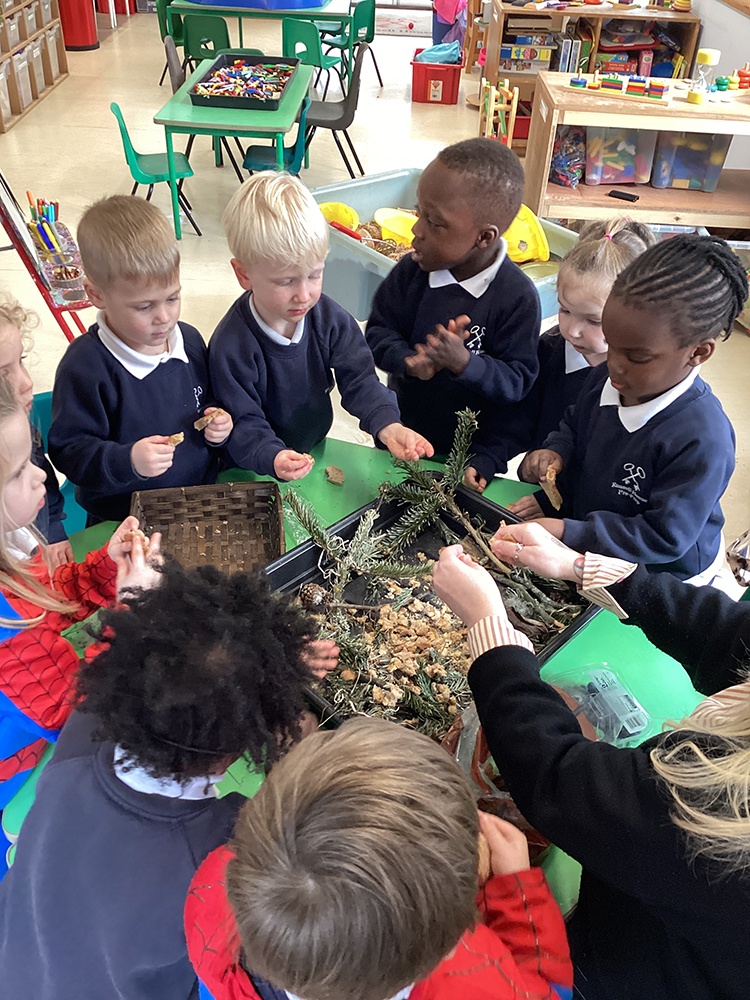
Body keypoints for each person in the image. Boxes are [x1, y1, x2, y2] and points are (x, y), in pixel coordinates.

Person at [432, 522, 750, 1000]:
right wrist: (582, 567)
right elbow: (729, 635)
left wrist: (490, 632)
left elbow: (563, 780)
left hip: (629, 971)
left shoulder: (722, 823)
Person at [0, 555, 339, 1000]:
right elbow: (295, 839)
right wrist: (299, 755)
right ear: (243, 748)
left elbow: (123, 668)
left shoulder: (83, 734)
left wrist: (134, 604)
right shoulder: (225, 845)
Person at [184, 716, 573, 1000]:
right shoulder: (472, 979)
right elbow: (547, 991)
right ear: (449, 943)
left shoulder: (212, 889)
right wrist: (518, 893)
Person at [509, 234, 747, 584]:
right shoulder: (606, 379)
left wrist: (569, 532)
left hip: (665, 578)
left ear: (698, 353)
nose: (614, 365)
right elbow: (575, 427)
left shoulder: (703, 439)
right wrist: (556, 454)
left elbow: (663, 536)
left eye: (636, 356)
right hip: (593, 541)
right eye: (611, 343)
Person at [209, 172, 433, 482]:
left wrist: (387, 424)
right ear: (244, 274)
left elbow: (359, 379)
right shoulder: (231, 347)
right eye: (286, 281)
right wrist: (272, 455)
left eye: (314, 275)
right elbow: (242, 420)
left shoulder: (329, 319)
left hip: (311, 451)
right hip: (250, 467)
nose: (304, 294)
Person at [0, 373, 149, 808]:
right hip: (16, 780)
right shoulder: (8, 629)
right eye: (18, 471)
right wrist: (130, 610)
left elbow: (43, 595)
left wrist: (105, 569)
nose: (40, 477)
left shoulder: (10, 550)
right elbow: (79, 714)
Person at [365, 137, 541, 492]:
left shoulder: (517, 298)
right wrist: (408, 362)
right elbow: (378, 333)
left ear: (484, 237)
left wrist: (465, 364)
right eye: (419, 213)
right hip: (402, 443)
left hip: (470, 465)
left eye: (435, 223)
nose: (416, 231)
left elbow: (518, 383)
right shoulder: (411, 272)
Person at [48, 195, 233, 524]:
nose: (164, 317)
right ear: (96, 295)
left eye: (172, 298)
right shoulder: (86, 366)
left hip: (200, 503)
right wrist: (128, 460)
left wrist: (219, 420)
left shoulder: (189, 341)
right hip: (123, 522)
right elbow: (70, 451)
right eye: (144, 306)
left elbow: (209, 400)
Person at [503, 218, 655, 467]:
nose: (572, 331)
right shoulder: (548, 350)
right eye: (565, 310)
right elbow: (518, 422)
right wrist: (492, 457)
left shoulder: (649, 375)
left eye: (593, 321)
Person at [0, 294, 72, 567]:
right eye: (3, 374)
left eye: (21, 361)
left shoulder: (20, 428)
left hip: (37, 551)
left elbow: (44, 482)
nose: (27, 382)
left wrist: (53, 532)